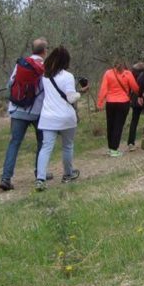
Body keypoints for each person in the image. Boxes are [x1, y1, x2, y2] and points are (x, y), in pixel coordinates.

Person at [0, 37, 48, 192]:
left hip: (17, 110)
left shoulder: (21, 64)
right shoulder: (44, 67)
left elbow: (10, 84)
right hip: (37, 111)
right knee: (42, 143)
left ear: (32, 50)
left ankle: (6, 178)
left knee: (14, 143)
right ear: (45, 51)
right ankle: (39, 173)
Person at [35, 46, 81, 191]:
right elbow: (71, 98)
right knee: (67, 146)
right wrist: (80, 93)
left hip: (48, 117)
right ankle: (68, 174)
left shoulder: (45, 76)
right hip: (66, 117)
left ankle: (40, 179)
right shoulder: (68, 76)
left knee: (46, 148)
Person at [97, 58, 140, 157]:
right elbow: (135, 87)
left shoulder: (108, 73)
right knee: (118, 126)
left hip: (110, 102)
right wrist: (140, 94)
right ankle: (114, 149)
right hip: (123, 102)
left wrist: (100, 102)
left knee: (110, 125)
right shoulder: (128, 74)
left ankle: (110, 147)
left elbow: (103, 89)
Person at [126, 61, 144, 151]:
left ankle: (131, 142)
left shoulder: (132, 75)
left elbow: (129, 88)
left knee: (134, 121)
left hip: (135, 98)